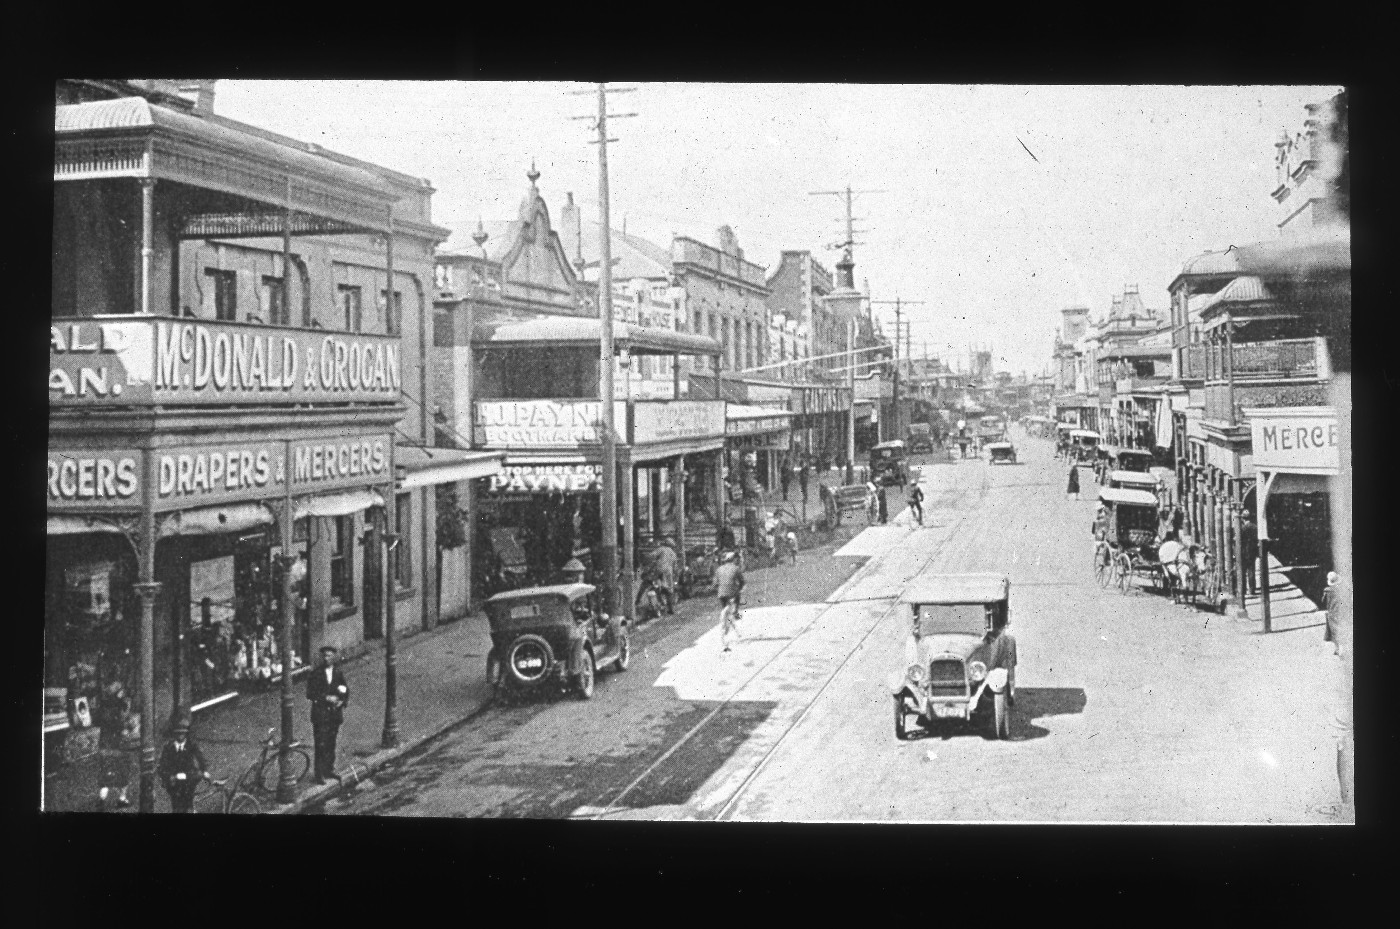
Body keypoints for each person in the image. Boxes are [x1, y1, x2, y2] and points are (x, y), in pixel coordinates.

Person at [306, 646, 349, 785]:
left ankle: (329, 769)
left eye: (329, 656)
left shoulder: (338, 672)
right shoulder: (316, 673)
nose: (327, 658)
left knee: (331, 742)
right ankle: (319, 773)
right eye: (324, 656)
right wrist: (326, 698)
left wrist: (341, 701)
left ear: (334, 657)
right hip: (321, 715)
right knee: (321, 744)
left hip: (334, 715)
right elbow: (310, 693)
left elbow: (345, 690)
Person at [157, 713, 207, 814]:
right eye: (178, 734)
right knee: (176, 802)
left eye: (183, 734)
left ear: (186, 734)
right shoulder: (168, 747)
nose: (180, 737)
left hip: (188, 776)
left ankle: (189, 809)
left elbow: (200, 757)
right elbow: (162, 764)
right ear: (174, 735)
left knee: (188, 799)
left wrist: (204, 770)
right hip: (173, 779)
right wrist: (167, 776)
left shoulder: (191, 745)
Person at [714, 550, 745, 652]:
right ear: (733, 560)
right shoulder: (736, 569)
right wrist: (739, 589)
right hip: (732, 593)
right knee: (733, 611)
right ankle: (735, 618)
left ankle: (734, 630)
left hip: (721, 594)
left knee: (725, 611)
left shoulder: (719, 569)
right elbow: (742, 582)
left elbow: (715, 583)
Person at [651, 541, 678, 615]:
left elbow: (652, 555)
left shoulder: (662, 549)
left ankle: (658, 603)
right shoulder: (673, 553)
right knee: (669, 590)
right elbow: (675, 566)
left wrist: (655, 561)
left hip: (660, 570)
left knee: (655, 586)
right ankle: (670, 609)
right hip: (669, 572)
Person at [1239, 514, 1259, 596]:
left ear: (1243, 519)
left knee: (1243, 571)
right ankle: (1252, 589)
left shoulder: (1242, 528)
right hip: (1252, 551)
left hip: (1243, 552)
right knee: (1251, 570)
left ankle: (1243, 590)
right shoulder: (1255, 527)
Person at [1321, 571, 1341, 650]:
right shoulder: (1340, 591)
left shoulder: (1326, 591)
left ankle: (1337, 648)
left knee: (1333, 632)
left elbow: (1322, 601)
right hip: (1339, 613)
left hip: (1331, 614)